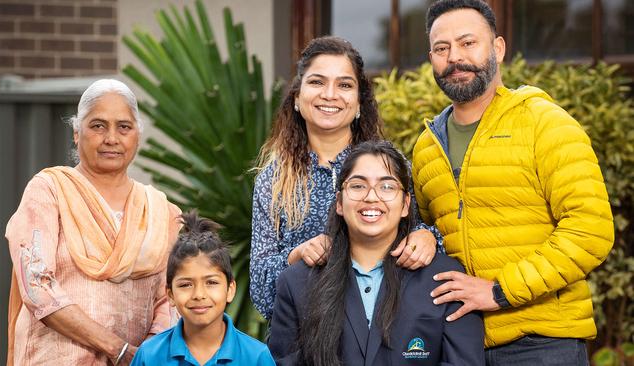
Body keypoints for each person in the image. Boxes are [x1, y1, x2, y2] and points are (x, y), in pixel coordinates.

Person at [411, 0, 615, 364]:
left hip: (543, 342)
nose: (454, 56)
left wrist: (500, 291)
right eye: (442, 48)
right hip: (462, 342)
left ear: (499, 48)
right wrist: (423, 233)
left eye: (467, 42)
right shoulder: (427, 147)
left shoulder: (544, 123)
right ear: (432, 58)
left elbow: (591, 230)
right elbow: (430, 233)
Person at [250, 36, 443, 320]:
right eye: (317, 82)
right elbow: (261, 292)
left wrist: (428, 237)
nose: (330, 94)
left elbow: (423, 236)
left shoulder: (390, 166)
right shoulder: (274, 180)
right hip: (303, 339)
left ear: (359, 102)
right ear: (296, 99)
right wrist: (297, 255)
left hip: (385, 333)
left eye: (344, 84)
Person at [6, 79, 181, 365]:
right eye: (98, 125)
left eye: (124, 127)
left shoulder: (163, 212)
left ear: (137, 135)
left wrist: (145, 356)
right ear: (77, 133)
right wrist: (117, 349)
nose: (111, 138)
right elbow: (36, 286)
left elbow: (169, 299)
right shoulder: (49, 191)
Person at [268, 140, 484, 366]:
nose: (371, 197)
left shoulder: (446, 279)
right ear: (339, 203)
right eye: (358, 186)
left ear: (405, 205)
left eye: (387, 186)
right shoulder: (297, 282)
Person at [131, 212, 276, 366]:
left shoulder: (256, 357)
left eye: (211, 282)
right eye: (185, 285)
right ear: (170, 294)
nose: (199, 295)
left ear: (230, 289)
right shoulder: (150, 355)